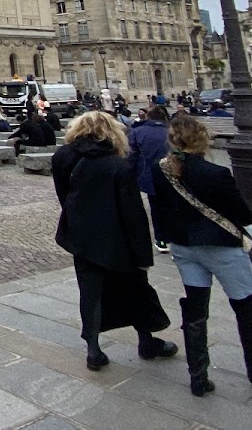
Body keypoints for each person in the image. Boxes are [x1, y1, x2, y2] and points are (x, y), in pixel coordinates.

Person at [51, 111, 178, 372]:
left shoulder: (62, 157)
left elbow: (63, 195)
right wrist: (143, 255)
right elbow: (133, 212)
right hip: (117, 237)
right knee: (136, 288)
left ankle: (93, 351)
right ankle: (146, 341)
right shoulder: (117, 164)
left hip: (82, 236)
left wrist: (77, 220)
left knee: (90, 294)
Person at [150, 115, 252, 395]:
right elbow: (243, 215)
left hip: (184, 247)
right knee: (245, 303)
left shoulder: (160, 170)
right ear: (202, 140)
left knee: (195, 309)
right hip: (221, 247)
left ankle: (198, 377)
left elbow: (158, 208)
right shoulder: (216, 174)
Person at [129, 104, 172, 252]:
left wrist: (131, 175)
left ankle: (161, 239)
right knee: (174, 206)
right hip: (173, 174)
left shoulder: (138, 132)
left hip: (149, 175)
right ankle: (176, 238)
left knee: (156, 207)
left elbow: (132, 156)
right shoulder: (172, 131)